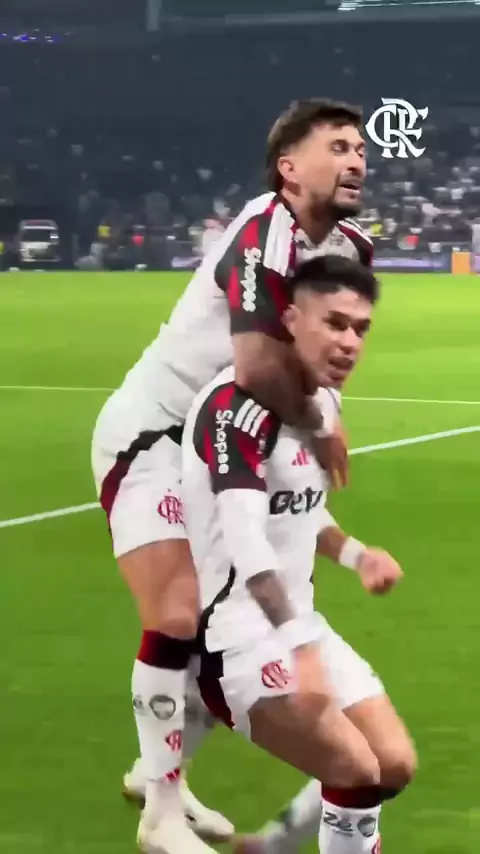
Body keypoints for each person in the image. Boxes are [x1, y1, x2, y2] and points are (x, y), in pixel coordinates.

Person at [91, 98, 373, 854]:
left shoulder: (350, 246)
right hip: (155, 434)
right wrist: (320, 424)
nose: (356, 160)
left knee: (233, 617)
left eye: (360, 149)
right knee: (179, 612)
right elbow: (254, 365)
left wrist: (327, 409)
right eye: (338, 147)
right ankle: (161, 813)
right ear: (289, 168)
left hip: (227, 440)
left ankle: (157, 769)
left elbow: (320, 351)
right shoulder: (261, 234)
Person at [181, 256, 416, 854]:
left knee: (393, 764)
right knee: (356, 771)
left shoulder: (322, 405)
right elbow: (247, 538)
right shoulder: (234, 410)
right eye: (334, 323)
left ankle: (271, 847)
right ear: (289, 320)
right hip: (232, 640)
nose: (349, 342)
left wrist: (356, 555)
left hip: (297, 625)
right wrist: (301, 648)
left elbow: (299, 510)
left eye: (360, 328)